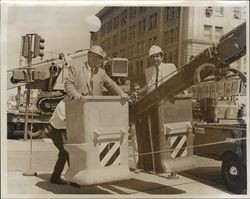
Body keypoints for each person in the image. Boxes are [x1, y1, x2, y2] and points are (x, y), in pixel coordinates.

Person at [49, 45, 129, 185]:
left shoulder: (101, 73)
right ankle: (69, 177)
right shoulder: (76, 68)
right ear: (90, 56)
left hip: (88, 116)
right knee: (70, 149)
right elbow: (69, 85)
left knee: (78, 148)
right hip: (68, 116)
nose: (100, 61)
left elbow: (111, 85)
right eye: (98, 58)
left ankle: (71, 177)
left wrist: (121, 94)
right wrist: (76, 95)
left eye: (101, 59)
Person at [49, 99, 69, 185]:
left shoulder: (71, 103)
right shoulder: (62, 104)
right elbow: (66, 120)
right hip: (56, 130)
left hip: (64, 130)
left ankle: (73, 177)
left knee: (70, 152)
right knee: (65, 152)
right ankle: (55, 177)